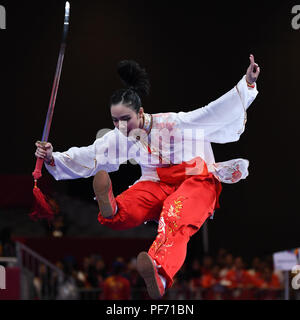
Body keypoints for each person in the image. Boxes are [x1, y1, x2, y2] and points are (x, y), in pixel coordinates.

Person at [35, 55, 260, 299]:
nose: (121, 126)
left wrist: (246, 85)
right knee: (132, 203)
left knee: (175, 211)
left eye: (126, 119)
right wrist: (51, 157)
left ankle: (160, 273)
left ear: (140, 113)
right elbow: (91, 154)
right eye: (114, 120)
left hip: (197, 181)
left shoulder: (174, 123)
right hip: (159, 182)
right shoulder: (122, 136)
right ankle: (113, 208)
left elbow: (213, 113)